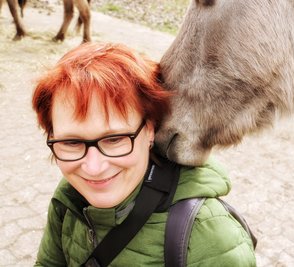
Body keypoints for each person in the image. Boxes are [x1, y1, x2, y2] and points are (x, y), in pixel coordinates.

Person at [32, 42, 256, 266]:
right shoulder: (69, 197)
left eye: (114, 139)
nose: (94, 168)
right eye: (72, 142)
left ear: (149, 129)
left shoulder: (211, 237)